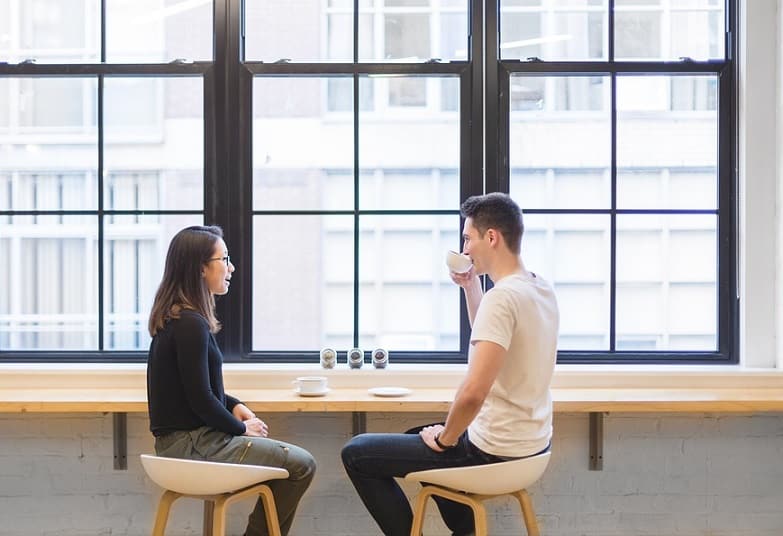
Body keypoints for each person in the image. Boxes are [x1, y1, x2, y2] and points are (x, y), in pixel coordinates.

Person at [341, 192, 559, 536]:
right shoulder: (537, 287)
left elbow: (473, 393)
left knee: (357, 453)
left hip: (494, 450)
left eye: (467, 238)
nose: (465, 249)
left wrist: (446, 439)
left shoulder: (503, 297)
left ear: (492, 237)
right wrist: (472, 287)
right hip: (532, 445)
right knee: (417, 437)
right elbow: (494, 339)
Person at [146, 225, 315, 536]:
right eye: (224, 258)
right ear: (200, 268)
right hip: (192, 447)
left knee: (282, 461)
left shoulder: (179, 318)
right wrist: (240, 429)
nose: (231, 267)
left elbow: (196, 389)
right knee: (302, 464)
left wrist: (234, 405)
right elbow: (200, 399)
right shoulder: (190, 325)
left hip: (180, 445)